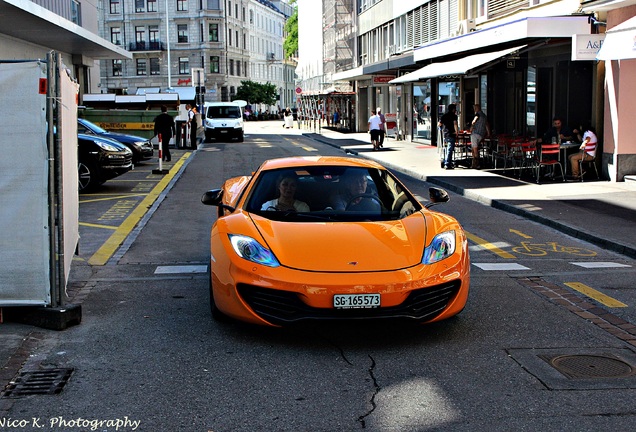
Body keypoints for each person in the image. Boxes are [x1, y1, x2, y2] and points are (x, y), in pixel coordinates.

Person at [469, 104, 491, 169]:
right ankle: (475, 163)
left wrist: (471, 127)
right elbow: (487, 125)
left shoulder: (477, 114)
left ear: (476, 108)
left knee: (474, 149)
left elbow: (474, 121)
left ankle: (476, 164)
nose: (474, 109)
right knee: (475, 148)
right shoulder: (484, 116)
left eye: (474, 108)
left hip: (475, 134)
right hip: (481, 134)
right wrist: (489, 133)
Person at [438, 104, 459, 169]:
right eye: (455, 109)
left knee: (446, 148)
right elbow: (455, 124)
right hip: (451, 134)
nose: (455, 110)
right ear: (453, 109)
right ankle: (447, 163)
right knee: (450, 149)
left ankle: (445, 161)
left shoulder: (444, 116)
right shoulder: (454, 116)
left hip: (445, 134)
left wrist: (441, 127)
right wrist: (457, 132)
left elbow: (439, 124)